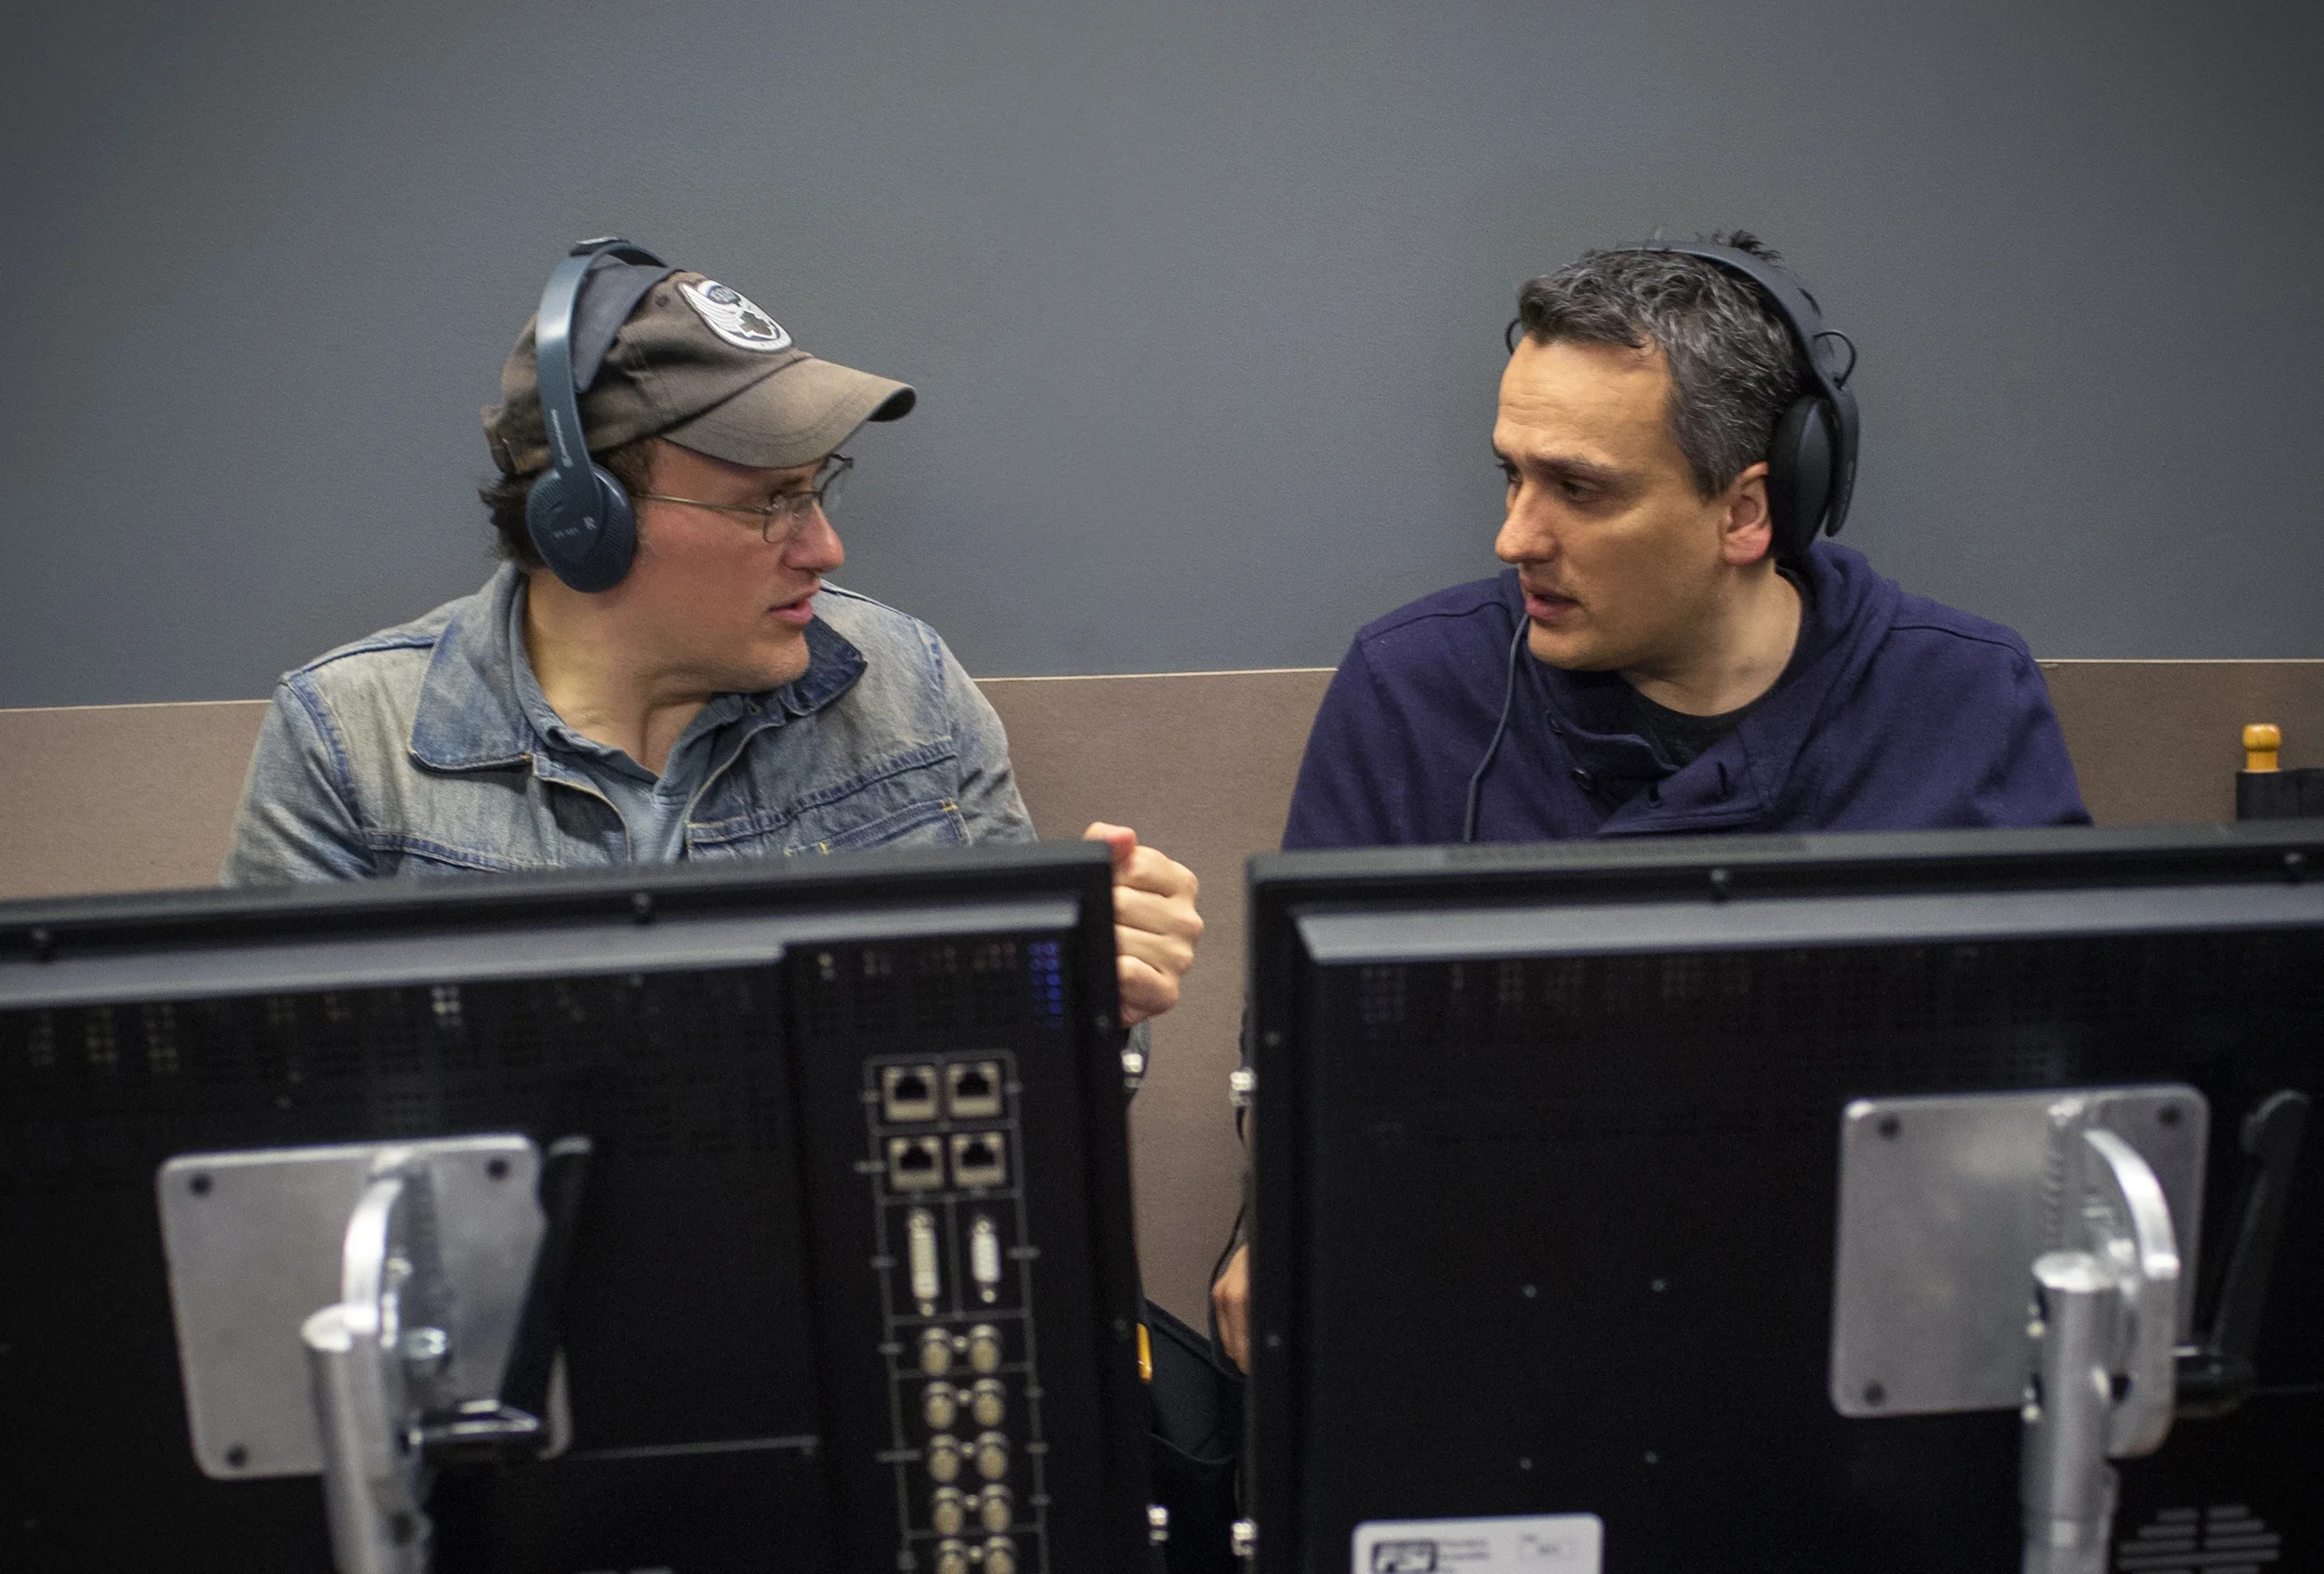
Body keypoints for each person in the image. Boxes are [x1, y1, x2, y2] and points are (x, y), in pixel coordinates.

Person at [1210, 232, 2089, 1365]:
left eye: (1579, 489)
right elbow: (1295, 1065)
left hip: (1860, 1323)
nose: (1514, 536)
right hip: (1506, 1323)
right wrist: (1289, 1215)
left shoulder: (1959, 696)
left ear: (1748, 511)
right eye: (1511, 475)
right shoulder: (1413, 689)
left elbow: (2062, 1082)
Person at [222, 245, 1202, 1029]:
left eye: (817, 489)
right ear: (585, 525)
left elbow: (1017, 1094)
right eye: (772, 502)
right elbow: (282, 1122)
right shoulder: (352, 745)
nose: (824, 548)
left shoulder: (909, 689)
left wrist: (1088, 992)